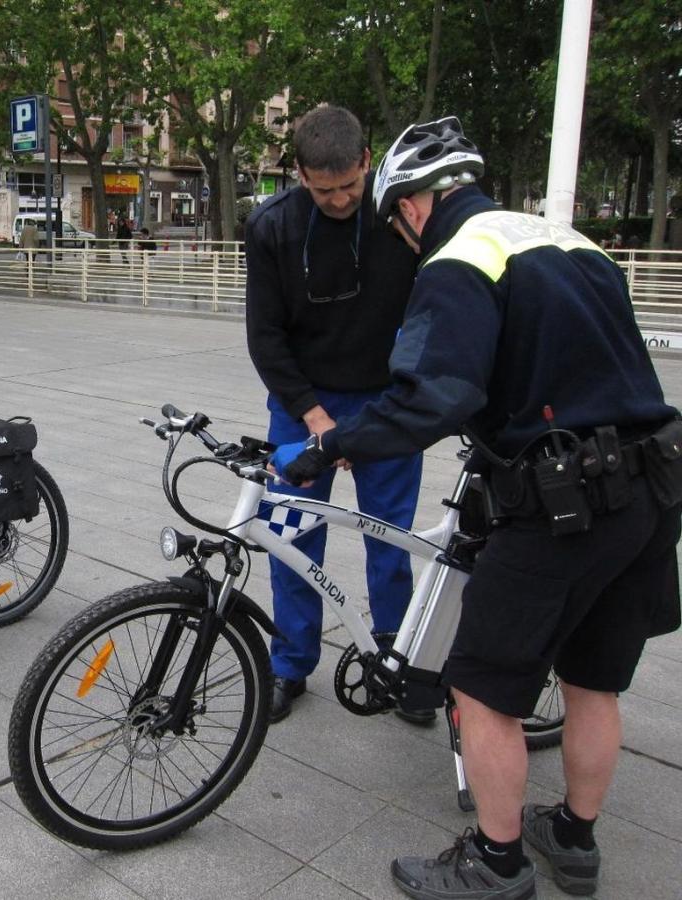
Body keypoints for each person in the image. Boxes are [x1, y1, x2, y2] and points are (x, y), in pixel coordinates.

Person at [281, 116, 682, 900]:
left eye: (396, 219)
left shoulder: (459, 259)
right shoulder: (573, 244)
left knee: (483, 686)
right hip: (650, 486)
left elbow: (432, 396)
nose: (401, 234)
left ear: (413, 205)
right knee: (594, 681)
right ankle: (573, 837)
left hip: (563, 504)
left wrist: (329, 449)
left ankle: (496, 865)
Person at [243, 104, 423, 725]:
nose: (341, 199)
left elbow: (432, 315)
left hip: (387, 402)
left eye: (350, 185)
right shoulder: (271, 228)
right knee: (291, 536)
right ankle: (290, 663)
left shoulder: (400, 221)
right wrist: (315, 417)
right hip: (303, 403)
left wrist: (409, 400)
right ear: (299, 174)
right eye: (325, 190)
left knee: (389, 539)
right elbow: (265, 338)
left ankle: (396, 662)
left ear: (367, 163)